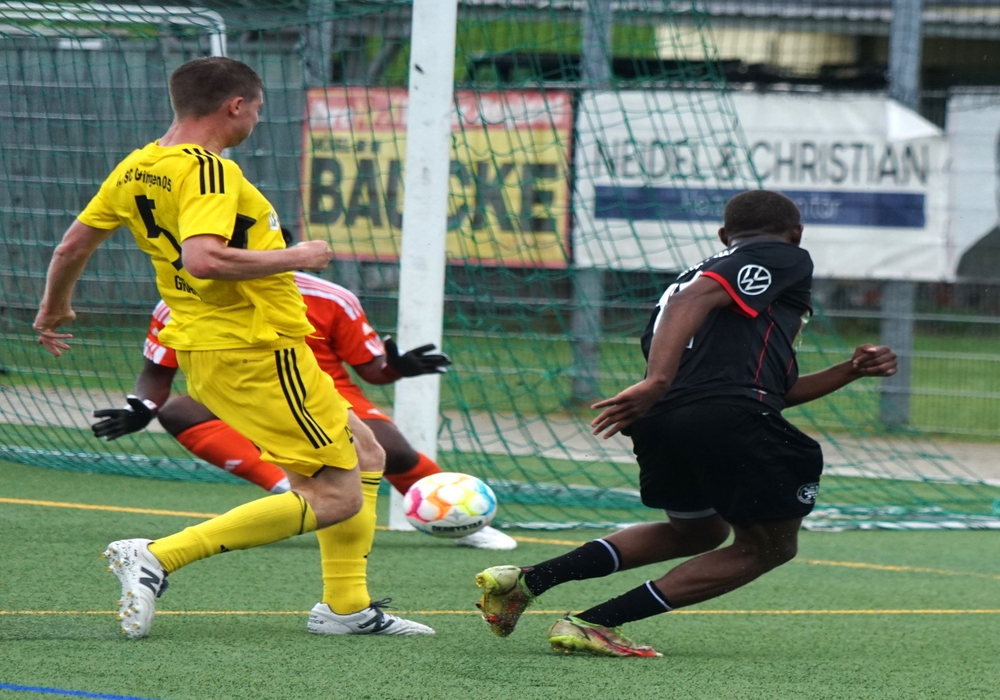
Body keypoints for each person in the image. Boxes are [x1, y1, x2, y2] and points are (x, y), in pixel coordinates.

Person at [34, 56, 433, 638]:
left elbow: (71, 247)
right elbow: (205, 259)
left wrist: (53, 308)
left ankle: (346, 608)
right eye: (259, 108)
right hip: (257, 349)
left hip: (216, 348)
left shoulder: (139, 165)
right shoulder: (209, 170)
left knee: (366, 453)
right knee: (337, 497)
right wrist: (301, 255)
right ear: (235, 105)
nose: (257, 120)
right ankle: (157, 556)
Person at [474, 190, 898, 657]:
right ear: (796, 234)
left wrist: (850, 370)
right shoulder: (779, 256)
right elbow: (691, 305)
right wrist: (655, 380)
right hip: (719, 416)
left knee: (698, 532)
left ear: (723, 234)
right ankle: (595, 623)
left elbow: (776, 389)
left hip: (664, 419)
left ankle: (528, 581)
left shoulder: (699, 280)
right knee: (769, 547)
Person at [91, 264, 517, 550]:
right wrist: (142, 406)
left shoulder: (330, 297)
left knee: (391, 450)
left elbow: (373, 369)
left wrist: (398, 367)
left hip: (323, 391)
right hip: (233, 393)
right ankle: (284, 487)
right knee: (178, 411)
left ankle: (459, 518)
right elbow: (157, 372)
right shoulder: (181, 302)